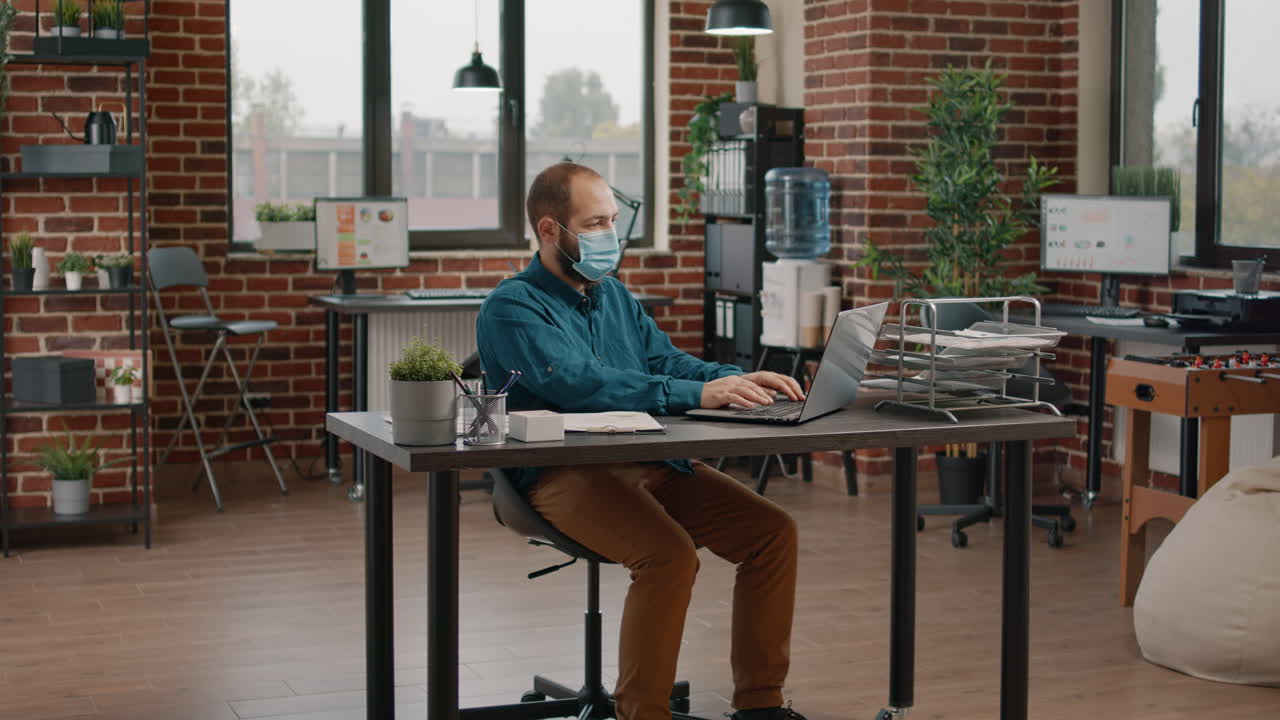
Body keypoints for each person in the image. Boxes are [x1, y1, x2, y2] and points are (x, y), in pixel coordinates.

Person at [477, 162, 807, 720]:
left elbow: (665, 362)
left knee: (773, 533)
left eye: (612, 220)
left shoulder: (614, 297)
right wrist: (696, 396)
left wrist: (732, 380)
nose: (610, 235)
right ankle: (642, 712)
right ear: (551, 230)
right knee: (668, 556)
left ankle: (760, 706)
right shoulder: (511, 308)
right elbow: (581, 385)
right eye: (595, 222)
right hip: (563, 473)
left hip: (648, 460)